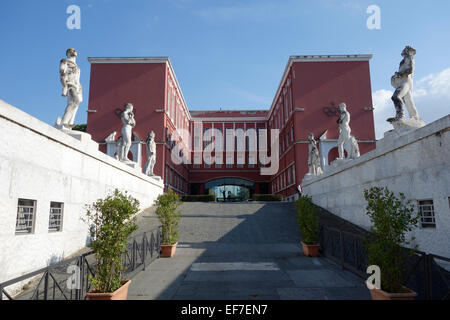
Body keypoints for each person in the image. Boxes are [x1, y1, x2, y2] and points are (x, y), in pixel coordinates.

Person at [390, 46, 419, 121]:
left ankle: (400, 115)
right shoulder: (404, 60)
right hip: (403, 81)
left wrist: (399, 74)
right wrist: (395, 76)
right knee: (408, 101)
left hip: (406, 81)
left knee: (396, 96)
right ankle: (415, 118)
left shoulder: (409, 58)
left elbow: (410, 70)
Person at [59, 48, 82, 129]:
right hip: (70, 84)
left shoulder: (77, 66)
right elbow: (62, 73)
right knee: (75, 101)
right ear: (68, 53)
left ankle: (70, 123)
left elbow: (78, 78)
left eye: (75, 50)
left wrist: (79, 86)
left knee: (76, 104)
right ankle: (63, 122)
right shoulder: (65, 61)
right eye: (71, 50)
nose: (74, 51)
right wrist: (64, 85)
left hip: (77, 87)